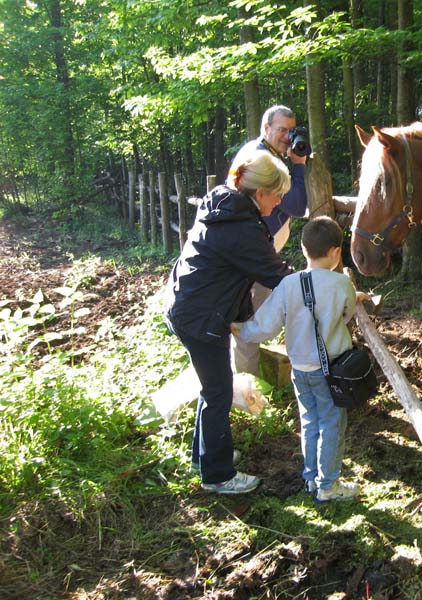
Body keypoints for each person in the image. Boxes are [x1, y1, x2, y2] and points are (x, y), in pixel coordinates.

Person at [164, 149, 294, 495]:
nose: (279, 202)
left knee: (214, 389)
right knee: (219, 392)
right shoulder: (240, 228)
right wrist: (321, 282)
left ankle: (204, 458)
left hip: (191, 308)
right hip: (201, 318)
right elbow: (276, 274)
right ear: (260, 192)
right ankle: (218, 475)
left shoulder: (224, 208)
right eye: (278, 194)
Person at [234, 217, 367, 503]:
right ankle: (328, 485)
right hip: (329, 370)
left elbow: (267, 325)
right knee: (331, 422)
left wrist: (242, 329)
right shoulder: (341, 283)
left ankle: (310, 478)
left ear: (304, 248)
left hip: (299, 369)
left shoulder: (288, 284)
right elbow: (346, 315)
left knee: (309, 420)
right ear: (335, 251)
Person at [229, 104, 310, 375]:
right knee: (249, 317)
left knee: (251, 314)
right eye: (281, 130)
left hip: (252, 247)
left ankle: (246, 379)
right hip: (254, 251)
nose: (288, 137)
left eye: (292, 130)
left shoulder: (259, 151)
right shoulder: (264, 160)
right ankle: (247, 385)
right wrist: (299, 167)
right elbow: (297, 205)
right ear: (266, 128)